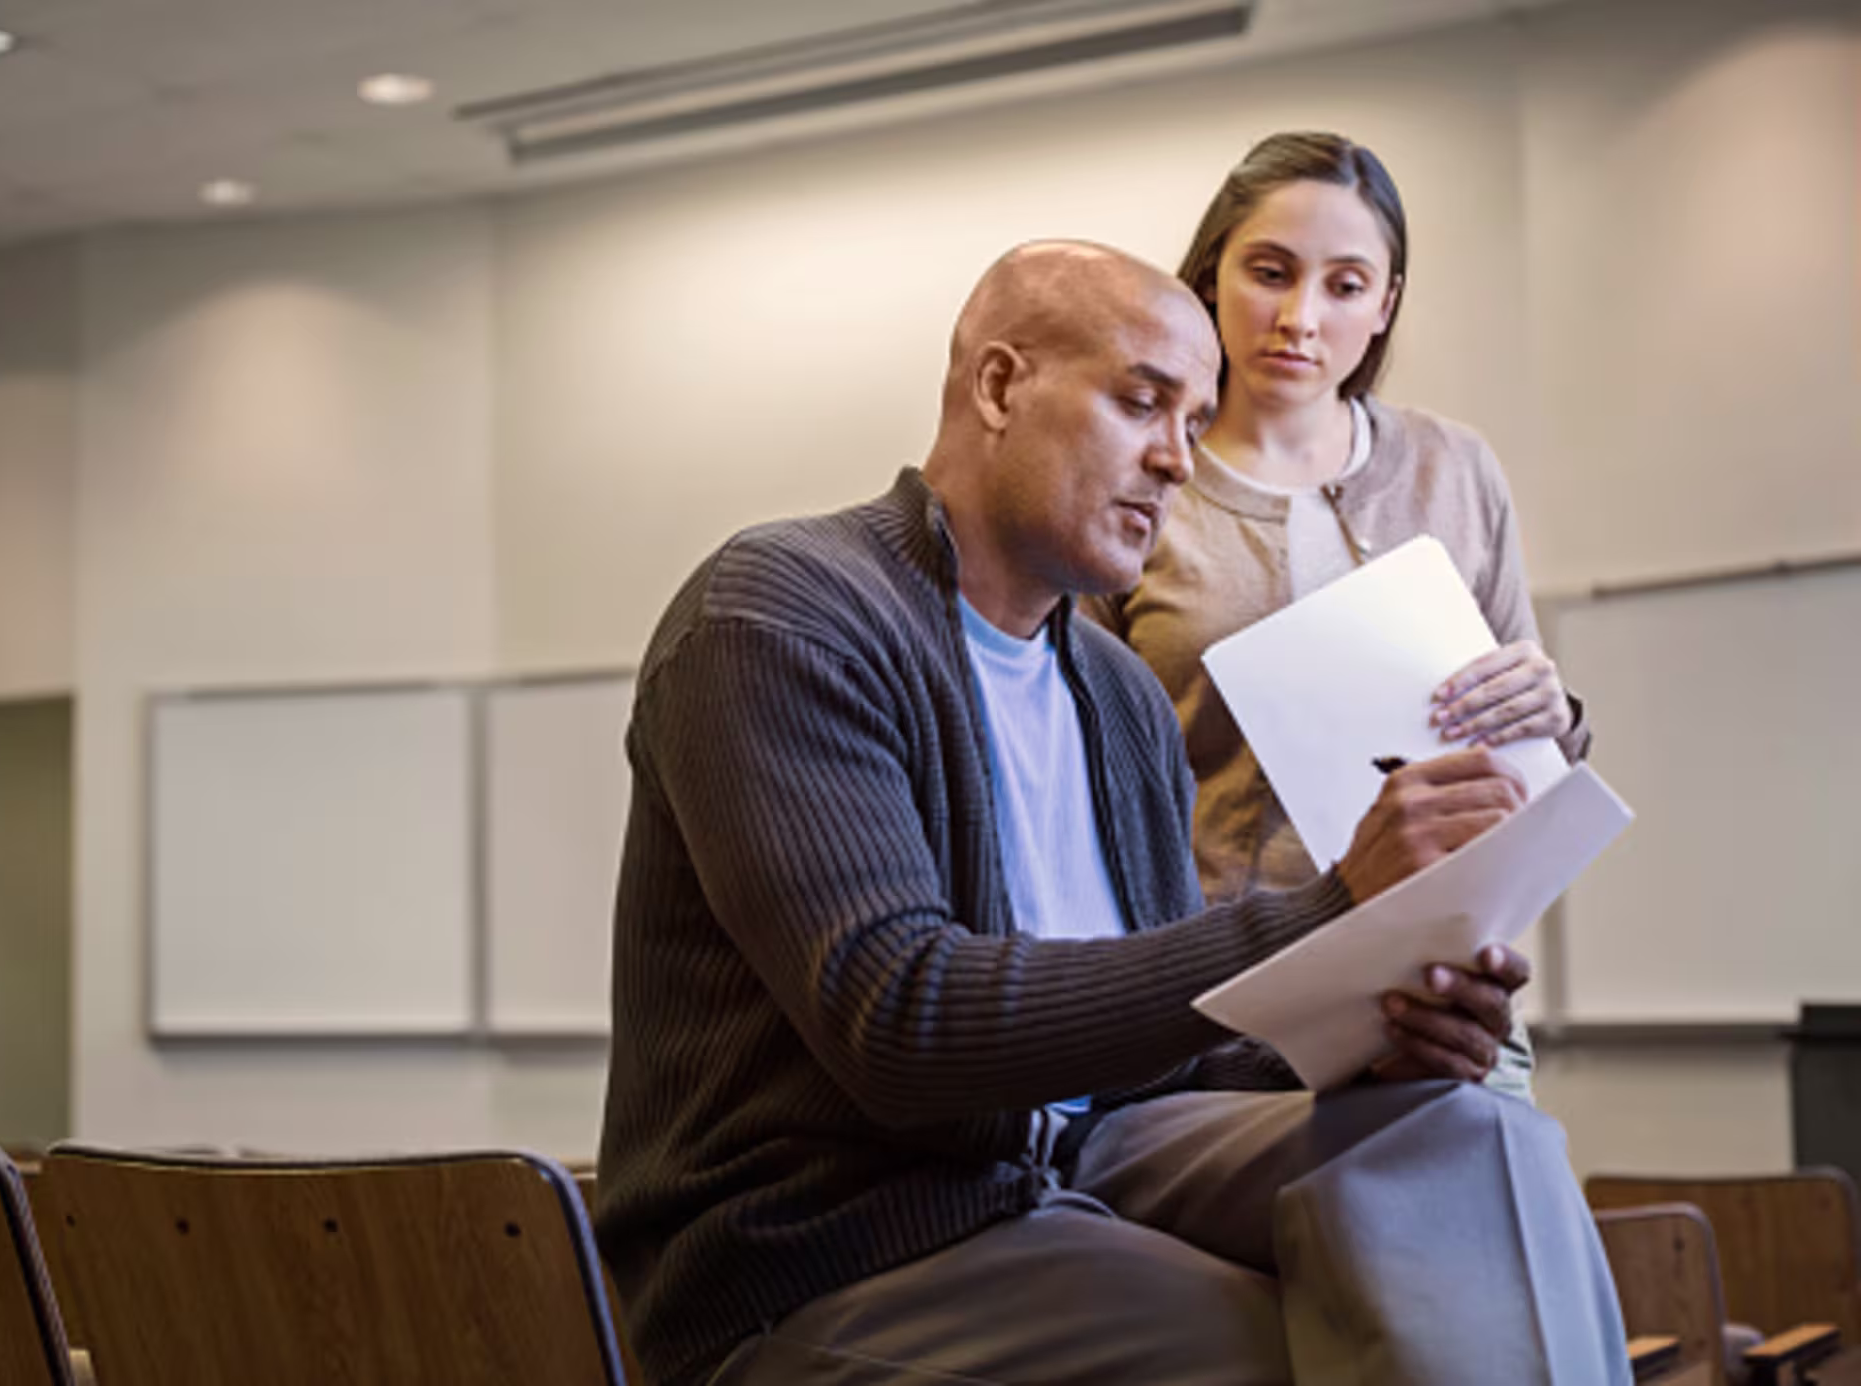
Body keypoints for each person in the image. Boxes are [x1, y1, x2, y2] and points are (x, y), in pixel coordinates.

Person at [594, 239, 1628, 1386]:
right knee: (1313, 1345)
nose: (1177, 460)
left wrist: (1378, 1041)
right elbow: (901, 1023)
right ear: (998, 386)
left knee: (1469, 1139)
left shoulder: (1118, 691)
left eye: (1193, 423)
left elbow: (1158, 1079)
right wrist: (1330, 911)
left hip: (1087, 1160)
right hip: (829, 1248)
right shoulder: (782, 614)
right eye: (1143, 404)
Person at [1089, 132, 1593, 1099]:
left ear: (1386, 303)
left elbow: (1528, 771)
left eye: (1346, 285)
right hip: (1230, 999)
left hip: (1442, 987)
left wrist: (1556, 716)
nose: (1299, 318)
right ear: (1208, 278)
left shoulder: (1457, 469)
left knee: (1478, 1219)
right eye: (1269, 273)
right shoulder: (1141, 483)